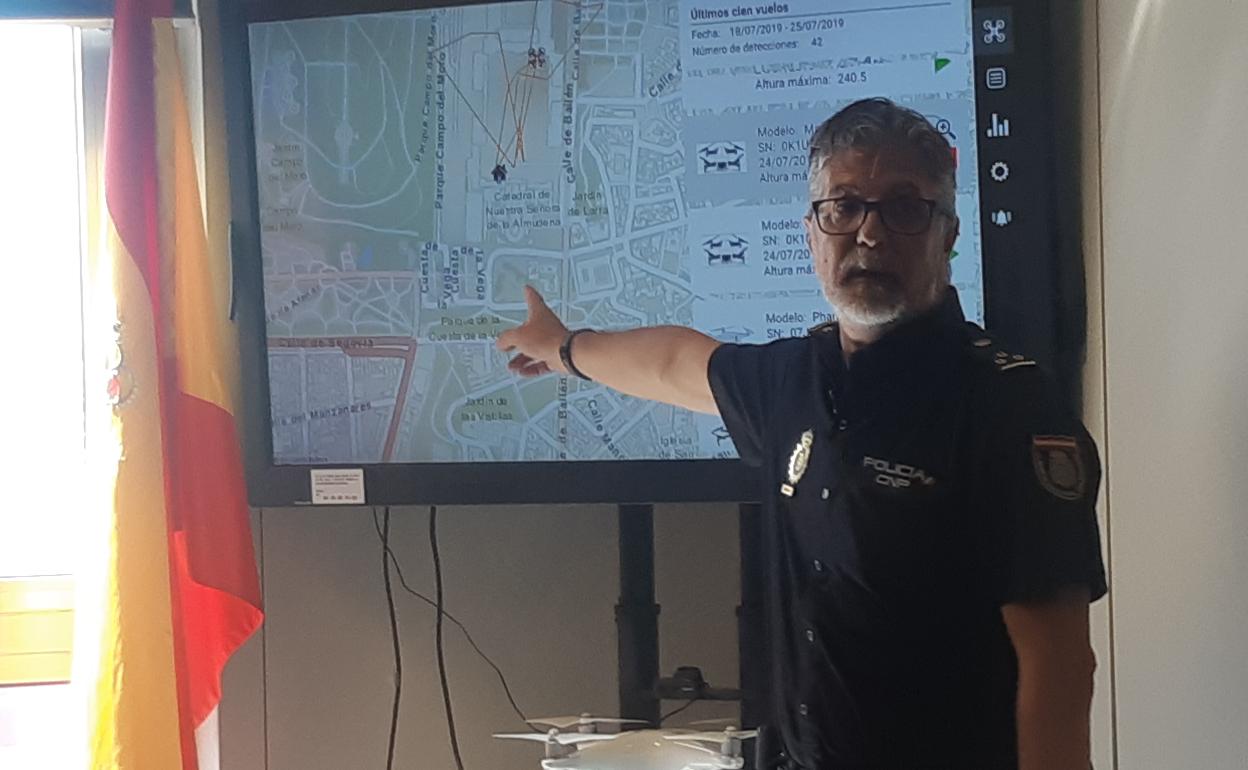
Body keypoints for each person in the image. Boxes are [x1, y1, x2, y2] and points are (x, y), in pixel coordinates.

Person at [496, 98, 1107, 770]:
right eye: (843, 207)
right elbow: (675, 363)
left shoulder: (1009, 408)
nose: (869, 233)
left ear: (948, 234)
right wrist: (564, 348)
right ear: (812, 234)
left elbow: (1058, 667)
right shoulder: (793, 380)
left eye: (904, 207)